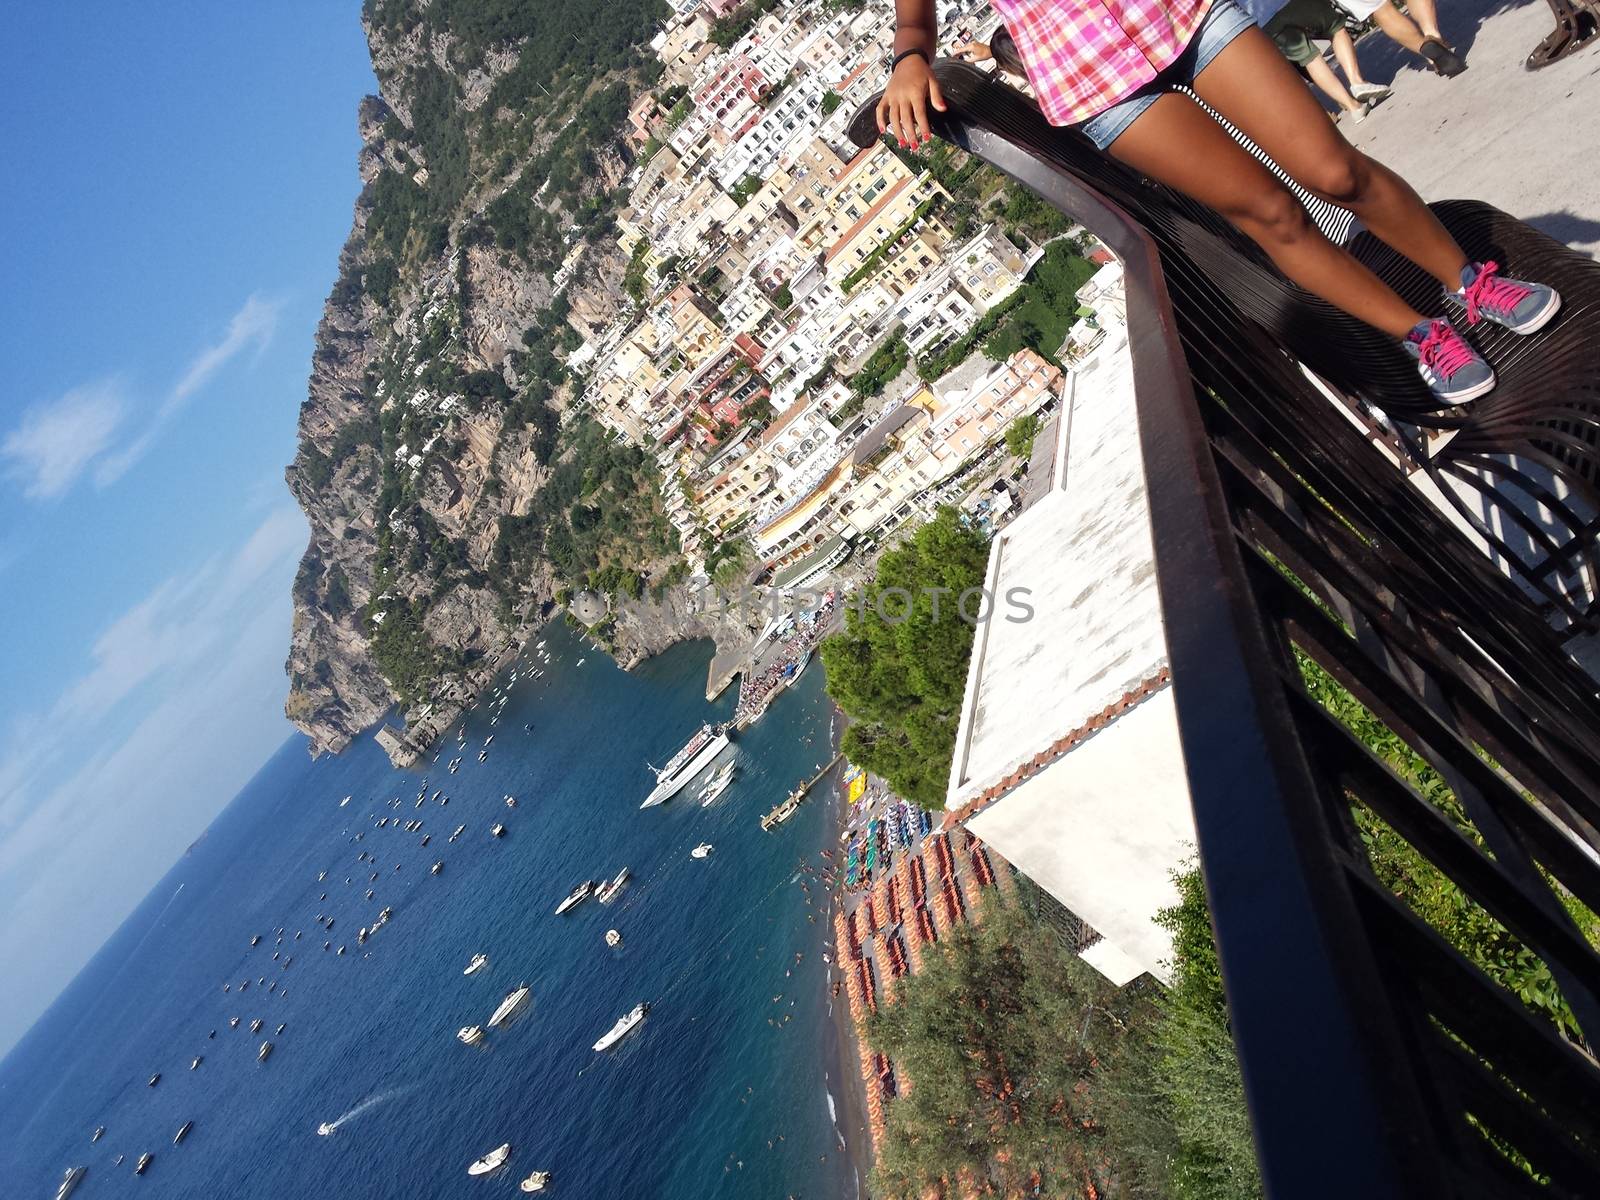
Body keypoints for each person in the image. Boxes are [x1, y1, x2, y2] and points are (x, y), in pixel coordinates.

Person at [878, 0, 1560, 405]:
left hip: (1181, 12)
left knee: (1333, 170)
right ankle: (1422, 335)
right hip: (1089, 73)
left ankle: (1469, 281)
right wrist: (911, 55)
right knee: (1270, 215)